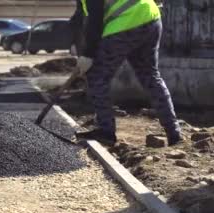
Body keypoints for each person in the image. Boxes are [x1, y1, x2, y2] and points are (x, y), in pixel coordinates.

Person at [74, 0, 183, 146]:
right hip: (151, 18)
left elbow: (94, 20)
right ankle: (174, 133)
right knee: (150, 76)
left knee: (96, 75)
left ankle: (106, 131)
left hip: (125, 24)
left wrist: (88, 54)